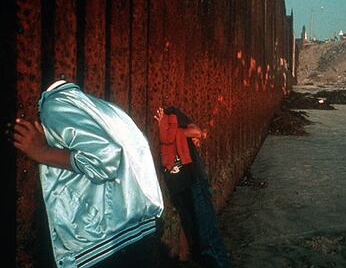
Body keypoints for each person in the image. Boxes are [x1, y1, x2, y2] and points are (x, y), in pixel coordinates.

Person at [13, 80, 164, 268]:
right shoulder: (109, 110)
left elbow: (106, 159)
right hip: (138, 233)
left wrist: (41, 151)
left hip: (101, 245)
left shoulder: (54, 105)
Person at [154, 106, 232, 268]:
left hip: (188, 183)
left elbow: (197, 132)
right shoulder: (169, 125)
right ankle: (188, 255)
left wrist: (169, 129)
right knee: (198, 233)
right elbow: (197, 133)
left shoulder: (173, 121)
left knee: (206, 235)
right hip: (182, 185)